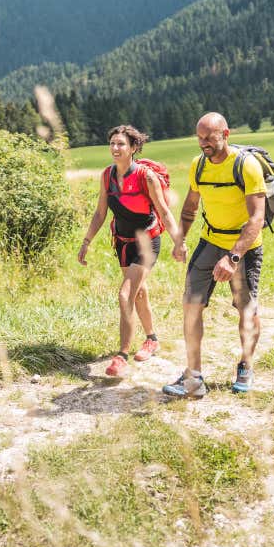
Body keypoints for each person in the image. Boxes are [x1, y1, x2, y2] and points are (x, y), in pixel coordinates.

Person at [163, 112, 265, 398]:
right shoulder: (198, 166)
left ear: (226, 134)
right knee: (191, 304)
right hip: (210, 241)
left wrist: (233, 257)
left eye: (209, 137)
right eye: (199, 138)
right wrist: (180, 240)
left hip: (244, 246)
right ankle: (193, 378)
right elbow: (189, 208)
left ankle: (246, 365)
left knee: (247, 311)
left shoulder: (247, 166)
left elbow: (257, 218)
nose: (204, 143)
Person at [78, 124, 184, 377]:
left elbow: (164, 212)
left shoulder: (146, 177)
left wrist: (179, 242)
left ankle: (122, 355)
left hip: (147, 240)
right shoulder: (107, 176)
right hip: (122, 241)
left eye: (121, 144)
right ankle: (152, 339)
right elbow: (100, 213)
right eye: (112, 143)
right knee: (138, 293)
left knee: (125, 294)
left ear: (134, 148)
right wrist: (86, 241)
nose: (115, 148)